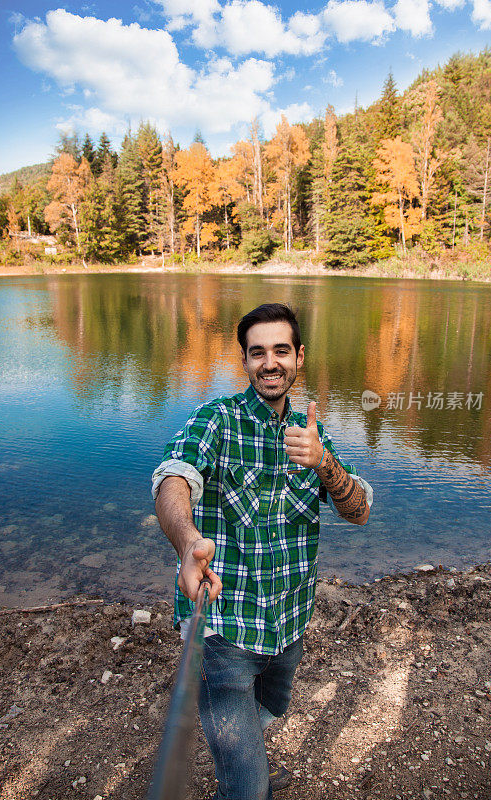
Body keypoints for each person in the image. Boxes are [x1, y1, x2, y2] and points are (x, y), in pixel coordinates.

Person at [152, 303, 373, 800]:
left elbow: (358, 511)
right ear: (246, 361)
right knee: (248, 789)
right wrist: (188, 544)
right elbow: (173, 477)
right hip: (222, 630)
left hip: (287, 627)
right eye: (257, 353)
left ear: (299, 357)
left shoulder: (312, 435)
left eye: (280, 351)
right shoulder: (217, 421)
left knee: (268, 713)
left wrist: (323, 464)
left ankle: (247, 759)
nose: (269, 363)